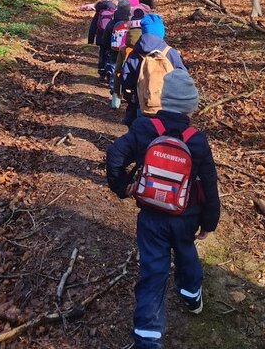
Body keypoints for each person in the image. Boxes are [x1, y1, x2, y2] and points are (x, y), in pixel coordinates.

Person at [106, 69, 220, 349]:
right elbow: (209, 182)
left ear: (162, 100)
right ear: (191, 106)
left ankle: (147, 337)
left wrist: (123, 187)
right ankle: (191, 295)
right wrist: (209, 222)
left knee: (152, 271)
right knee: (186, 253)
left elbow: (114, 155)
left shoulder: (145, 128)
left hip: (151, 216)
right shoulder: (197, 139)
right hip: (186, 215)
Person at [120, 14, 186, 126]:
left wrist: (131, 96)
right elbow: (182, 77)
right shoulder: (170, 53)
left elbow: (126, 79)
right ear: (161, 32)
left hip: (142, 104)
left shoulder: (135, 54)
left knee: (141, 132)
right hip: (167, 105)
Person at [112, 7, 145, 109]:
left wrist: (117, 91)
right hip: (145, 86)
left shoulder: (124, 49)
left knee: (131, 107)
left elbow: (117, 71)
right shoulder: (150, 49)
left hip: (128, 84)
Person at [100, 0, 133, 95]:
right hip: (127, 51)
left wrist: (106, 48)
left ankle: (113, 89)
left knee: (114, 68)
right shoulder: (130, 23)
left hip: (114, 51)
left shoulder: (112, 22)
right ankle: (126, 88)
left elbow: (106, 37)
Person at [87, 0, 118, 78]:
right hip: (112, 34)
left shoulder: (99, 7)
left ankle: (101, 71)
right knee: (111, 53)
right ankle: (109, 71)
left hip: (101, 35)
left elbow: (93, 24)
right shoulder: (116, 6)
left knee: (102, 52)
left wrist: (91, 39)